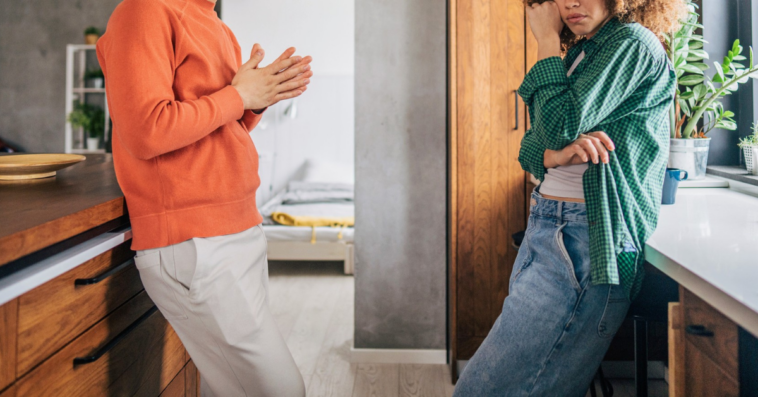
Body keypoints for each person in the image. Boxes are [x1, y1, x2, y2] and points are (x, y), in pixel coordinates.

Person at [453, 0, 685, 395]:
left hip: (585, 238)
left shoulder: (631, 43)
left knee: (482, 390)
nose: (570, 2)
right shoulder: (583, 51)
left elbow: (558, 124)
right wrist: (553, 155)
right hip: (550, 225)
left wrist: (544, 39)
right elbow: (531, 144)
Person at [96, 0, 313, 395]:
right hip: (194, 242)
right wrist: (238, 96)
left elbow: (220, 125)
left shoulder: (213, 22)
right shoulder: (144, 10)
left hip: (238, 230)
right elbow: (147, 130)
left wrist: (256, 99)